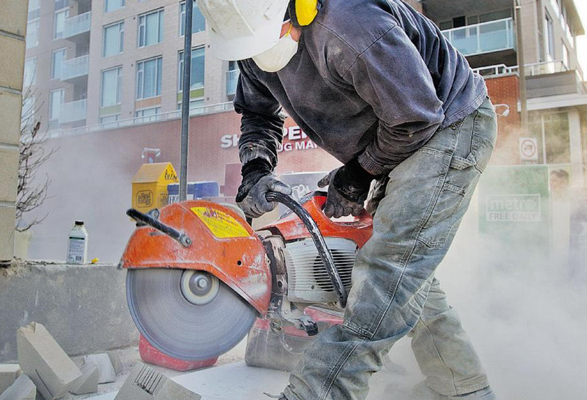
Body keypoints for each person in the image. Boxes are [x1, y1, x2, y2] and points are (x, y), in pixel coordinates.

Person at [197, 0, 497, 399]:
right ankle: (463, 387)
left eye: (266, 41)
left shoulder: (350, 23)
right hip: (396, 137)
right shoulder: (252, 48)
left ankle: (317, 393)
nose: (260, 56)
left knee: (388, 271)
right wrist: (255, 169)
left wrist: (356, 175)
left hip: (448, 124)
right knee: (404, 271)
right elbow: (258, 114)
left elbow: (417, 116)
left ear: (296, 9)